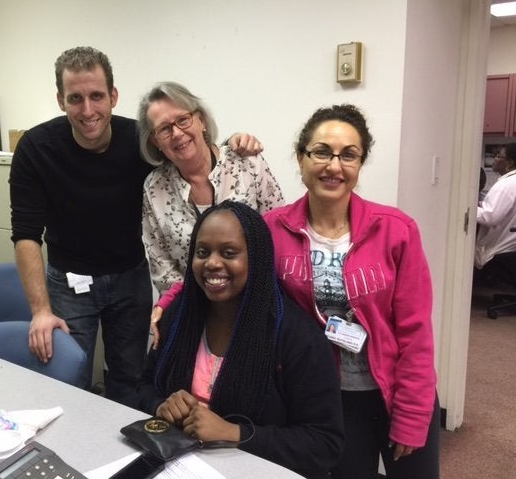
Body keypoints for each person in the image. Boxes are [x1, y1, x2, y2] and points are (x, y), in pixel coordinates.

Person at [9, 46, 261, 406]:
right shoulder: (35, 148)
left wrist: (235, 144)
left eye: (97, 96)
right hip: (68, 281)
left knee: (130, 378)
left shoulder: (141, 143)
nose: (88, 110)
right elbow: (26, 234)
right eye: (75, 98)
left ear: (113, 96)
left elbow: (188, 152)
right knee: (67, 379)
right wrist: (40, 311)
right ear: (61, 101)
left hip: (130, 279)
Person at [263, 104, 440, 479]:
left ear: (360, 164)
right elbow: (221, 265)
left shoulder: (396, 230)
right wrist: (167, 301)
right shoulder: (272, 229)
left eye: (349, 155)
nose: (334, 166)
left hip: (395, 390)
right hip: (330, 398)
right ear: (301, 157)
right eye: (322, 151)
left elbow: (415, 331)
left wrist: (411, 415)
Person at [136, 201, 344, 479]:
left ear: (256, 258)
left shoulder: (296, 337)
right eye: (202, 252)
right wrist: (160, 406)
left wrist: (235, 433)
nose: (212, 263)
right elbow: (143, 386)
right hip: (180, 467)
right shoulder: (180, 317)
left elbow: (324, 443)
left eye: (229, 253)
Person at [137, 82, 284, 347]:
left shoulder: (247, 163)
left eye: (183, 120)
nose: (177, 133)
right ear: (155, 141)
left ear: (200, 120)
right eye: (164, 129)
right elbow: (161, 264)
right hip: (193, 310)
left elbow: (278, 230)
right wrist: (193, 306)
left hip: (257, 304)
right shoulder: (153, 187)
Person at [475, 144, 516, 275]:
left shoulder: (507, 185)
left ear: (509, 163)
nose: (495, 159)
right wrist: (482, 205)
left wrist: (465, 208)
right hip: (510, 251)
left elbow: (490, 217)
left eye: (499, 156)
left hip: (499, 255)